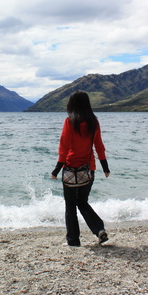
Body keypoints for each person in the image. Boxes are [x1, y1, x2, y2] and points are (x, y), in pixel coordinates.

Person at [51, 90, 110, 247]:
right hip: (88, 169)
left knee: (70, 206)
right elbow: (99, 146)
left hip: (71, 169)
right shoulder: (94, 122)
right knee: (82, 202)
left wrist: (57, 168)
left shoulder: (69, 122)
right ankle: (99, 229)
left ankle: (73, 241)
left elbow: (64, 147)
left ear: (72, 104)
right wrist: (105, 167)